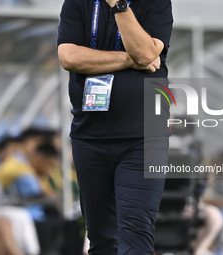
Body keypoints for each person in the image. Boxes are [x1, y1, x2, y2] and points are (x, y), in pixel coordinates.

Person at [57, 0, 173, 254]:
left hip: (143, 137)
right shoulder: (78, 3)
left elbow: (145, 54)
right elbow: (69, 57)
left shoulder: (156, 2)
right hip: (90, 136)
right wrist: (128, 59)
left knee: (135, 235)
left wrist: (118, 6)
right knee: (101, 238)